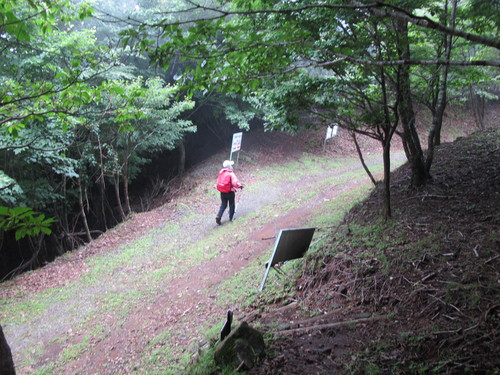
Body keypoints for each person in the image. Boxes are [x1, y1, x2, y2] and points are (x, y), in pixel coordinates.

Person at [215, 160, 243, 225]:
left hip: (222, 192)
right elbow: (234, 183)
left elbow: (218, 182)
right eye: (231, 165)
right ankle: (231, 217)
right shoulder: (231, 173)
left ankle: (218, 216)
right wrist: (240, 186)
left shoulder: (221, 173)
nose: (231, 166)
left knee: (223, 204)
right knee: (231, 204)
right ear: (229, 166)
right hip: (230, 191)